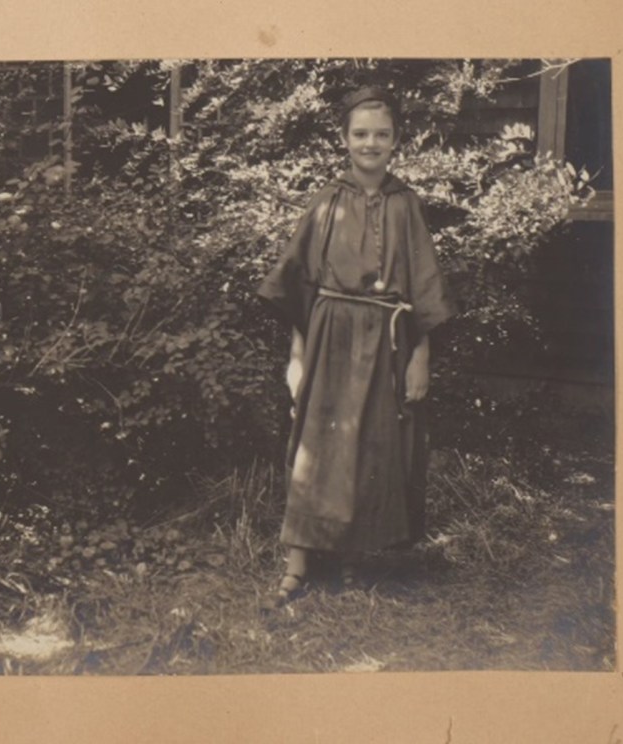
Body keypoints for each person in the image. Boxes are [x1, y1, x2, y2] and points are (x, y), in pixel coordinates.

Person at [257, 86, 456, 605]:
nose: (371, 143)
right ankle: (297, 565)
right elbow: (300, 285)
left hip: (386, 340)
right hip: (329, 335)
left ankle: (350, 555)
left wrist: (420, 357)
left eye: (381, 134)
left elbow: (424, 288)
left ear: (396, 141)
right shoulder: (327, 201)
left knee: (369, 443)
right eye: (361, 134)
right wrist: (297, 358)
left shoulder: (406, 204)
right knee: (315, 443)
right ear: (344, 139)